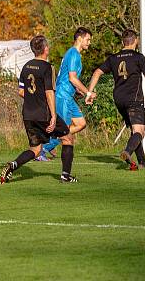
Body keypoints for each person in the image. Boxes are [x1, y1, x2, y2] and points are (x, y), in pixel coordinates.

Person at [0, 35, 70, 184]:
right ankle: (66, 176)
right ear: (45, 49)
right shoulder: (48, 67)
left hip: (28, 114)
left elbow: (21, 91)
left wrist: (33, 97)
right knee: (67, 137)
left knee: (36, 149)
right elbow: (49, 92)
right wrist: (53, 116)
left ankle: (13, 166)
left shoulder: (26, 66)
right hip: (43, 113)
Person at [86, 29, 145, 169]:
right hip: (134, 98)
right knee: (139, 132)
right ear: (135, 41)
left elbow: (97, 72)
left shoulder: (113, 58)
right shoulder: (138, 57)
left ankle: (142, 162)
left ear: (122, 42)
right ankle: (127, 151)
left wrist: (89, 92)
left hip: (119, 99)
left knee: (134, 130)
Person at [39, 27, 93, 182]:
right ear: (80, 39)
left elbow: (73, 82)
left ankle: (50, 144)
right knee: (64, 132)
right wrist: (88, 92)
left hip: (68, 97)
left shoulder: (72, 53)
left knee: (81, 123)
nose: (89, 43)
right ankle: (43, 149)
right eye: (88, 39)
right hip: (62, 97)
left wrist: (84, 94)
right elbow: (72, 78)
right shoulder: (74, 54)